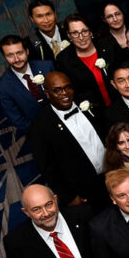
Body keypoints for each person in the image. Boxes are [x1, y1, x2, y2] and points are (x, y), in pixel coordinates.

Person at [29, 71, 108, 208]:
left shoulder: (89, 100)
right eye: (57, 90)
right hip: (85, 191)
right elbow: (48, 168)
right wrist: (69, 197)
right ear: (47, 94)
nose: (64, 93)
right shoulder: (40, 127)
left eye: (67, 87)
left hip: (114, 175)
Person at [0, 34, 55, 134]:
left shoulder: (47, 66)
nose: (16, 59)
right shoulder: (2, 87)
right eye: (10, 55)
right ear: (5, 57)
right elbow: (17, 120)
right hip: (40, 134)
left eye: (19, 53)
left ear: (27, 51)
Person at [54, 14, 113, 108]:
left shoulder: (107, 46)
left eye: (84, 31)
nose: (81, 37)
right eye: (75, 33)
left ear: (90, 32)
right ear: (69, 35)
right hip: (94, 113)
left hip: (120, 105)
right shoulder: (64, 60)